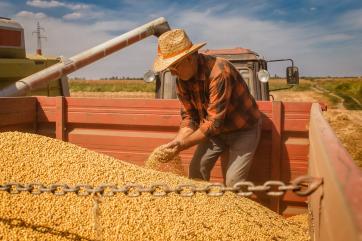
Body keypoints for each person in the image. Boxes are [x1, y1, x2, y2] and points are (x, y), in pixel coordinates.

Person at [153, 29, 262, 186]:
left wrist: (182, 145)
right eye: (170, 68)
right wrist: (177, 141)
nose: (173, 72)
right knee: (196, 170)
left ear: (190, 58)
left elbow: (213, 123)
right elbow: (190, 117)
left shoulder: (219, 73)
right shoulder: (182, 79)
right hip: (215, 132)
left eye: (174, 66)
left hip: (242, 129)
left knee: (234, 183)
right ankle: (203, 208)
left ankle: (235, 210)